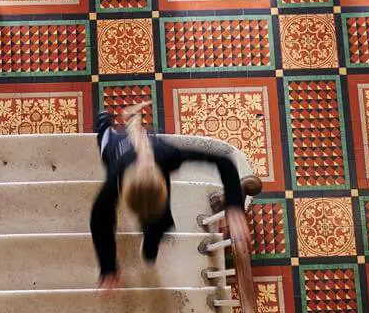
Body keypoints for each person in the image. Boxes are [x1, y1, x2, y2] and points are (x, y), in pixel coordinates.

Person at [91, 101, 250, 290]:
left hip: (150, 150)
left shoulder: (167, 154)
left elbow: (225, 162)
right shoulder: (114, 175)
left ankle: (150, 248)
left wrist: (234, 206)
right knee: (105, 140)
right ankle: (104, 124)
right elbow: (100, 223)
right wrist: (108, 266)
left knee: (159, 223)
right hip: (117, 148)